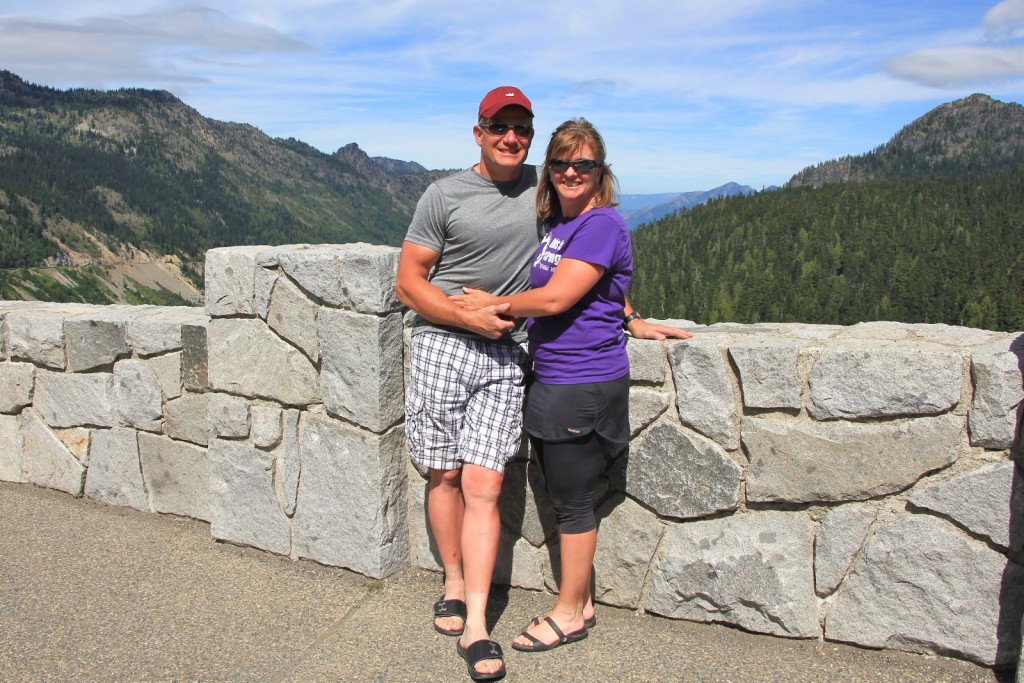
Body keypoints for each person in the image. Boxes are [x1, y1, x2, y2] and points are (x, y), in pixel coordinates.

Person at [396, 87, 688, 681]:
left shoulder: (547, 193)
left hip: (508, 352)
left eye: (521, 128)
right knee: (444, 473)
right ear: (477, 131)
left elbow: (584, 268)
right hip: (447, 344)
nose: (511, 137)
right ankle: (453, 583)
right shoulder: (445, 194)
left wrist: (630, 316)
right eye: (498, 126)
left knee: (483, 480)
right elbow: (408, 281)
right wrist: (462, 315)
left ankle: (478, 623)